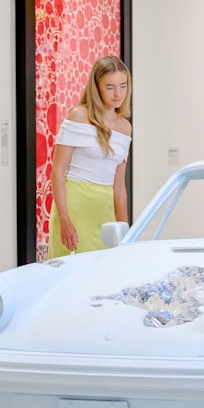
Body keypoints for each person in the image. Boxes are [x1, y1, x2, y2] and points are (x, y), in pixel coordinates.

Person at [48, 56, 133, 258]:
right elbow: (57, 171)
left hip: (104, 211)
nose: (118, 94)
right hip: (75, 207)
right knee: (68, 274)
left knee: (105, 273)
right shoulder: (78, 116)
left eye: (123, 85)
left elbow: (119, 187)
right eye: (110, 87)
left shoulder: (125, 128)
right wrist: (64, 220)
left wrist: (126, 231)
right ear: (96, 87)